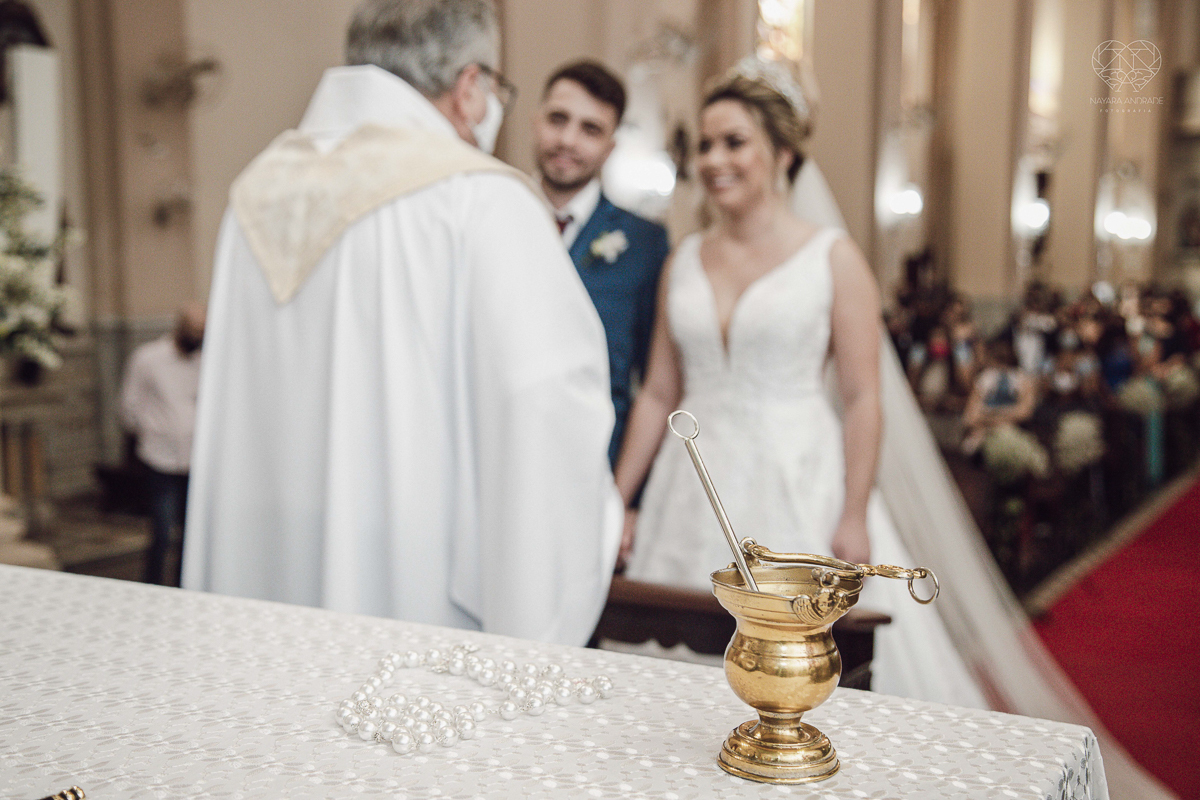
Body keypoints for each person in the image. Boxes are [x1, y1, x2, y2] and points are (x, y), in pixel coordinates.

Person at [182, 0, 621, 647]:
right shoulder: (480, 200)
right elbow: (547, 413)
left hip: (262, 596)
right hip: (410, 602)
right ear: (470, 86)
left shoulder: (255, 194)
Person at [613, 57, 984, 708]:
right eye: (704, 144)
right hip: (689, 487)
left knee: (802, 671)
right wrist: (616, 501)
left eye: (734, 142)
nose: (713, 159)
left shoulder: (833, 260)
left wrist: (852, 512)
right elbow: (658, 394)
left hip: (797, 481)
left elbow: (865, 397)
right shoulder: (685, 259)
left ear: (782, 154)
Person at [533, 60, 670, 465]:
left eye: (590, 129)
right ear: (535, 121)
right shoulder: (493, 217)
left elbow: (653, 383)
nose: (568, 140)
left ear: (610, 146)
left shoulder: (645, 244)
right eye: (558, 119)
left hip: (597, 461)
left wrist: (632, 500)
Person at [120, 303, 205, 586]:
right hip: (161, 458)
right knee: (162, 532)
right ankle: (153, 586)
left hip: (196, 460)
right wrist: (151, 431)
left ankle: (184, 586)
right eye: (194, 331)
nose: (197, 338)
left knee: (191, 535)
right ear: (180, 327)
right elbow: (129, 405)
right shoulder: (148, 358)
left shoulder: (205, 360)